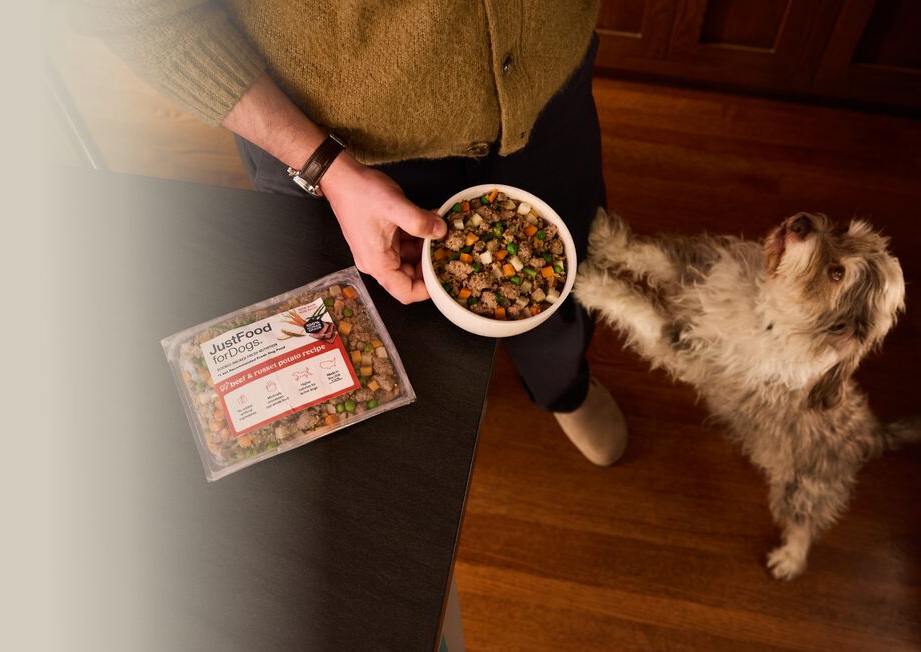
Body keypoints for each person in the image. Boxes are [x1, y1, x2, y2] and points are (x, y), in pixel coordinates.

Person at [75, 1, 627, 464]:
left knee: (564, 278)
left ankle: (564, 389)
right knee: (361, 349)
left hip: (547, 94)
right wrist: (324, 168)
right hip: (326, 147)